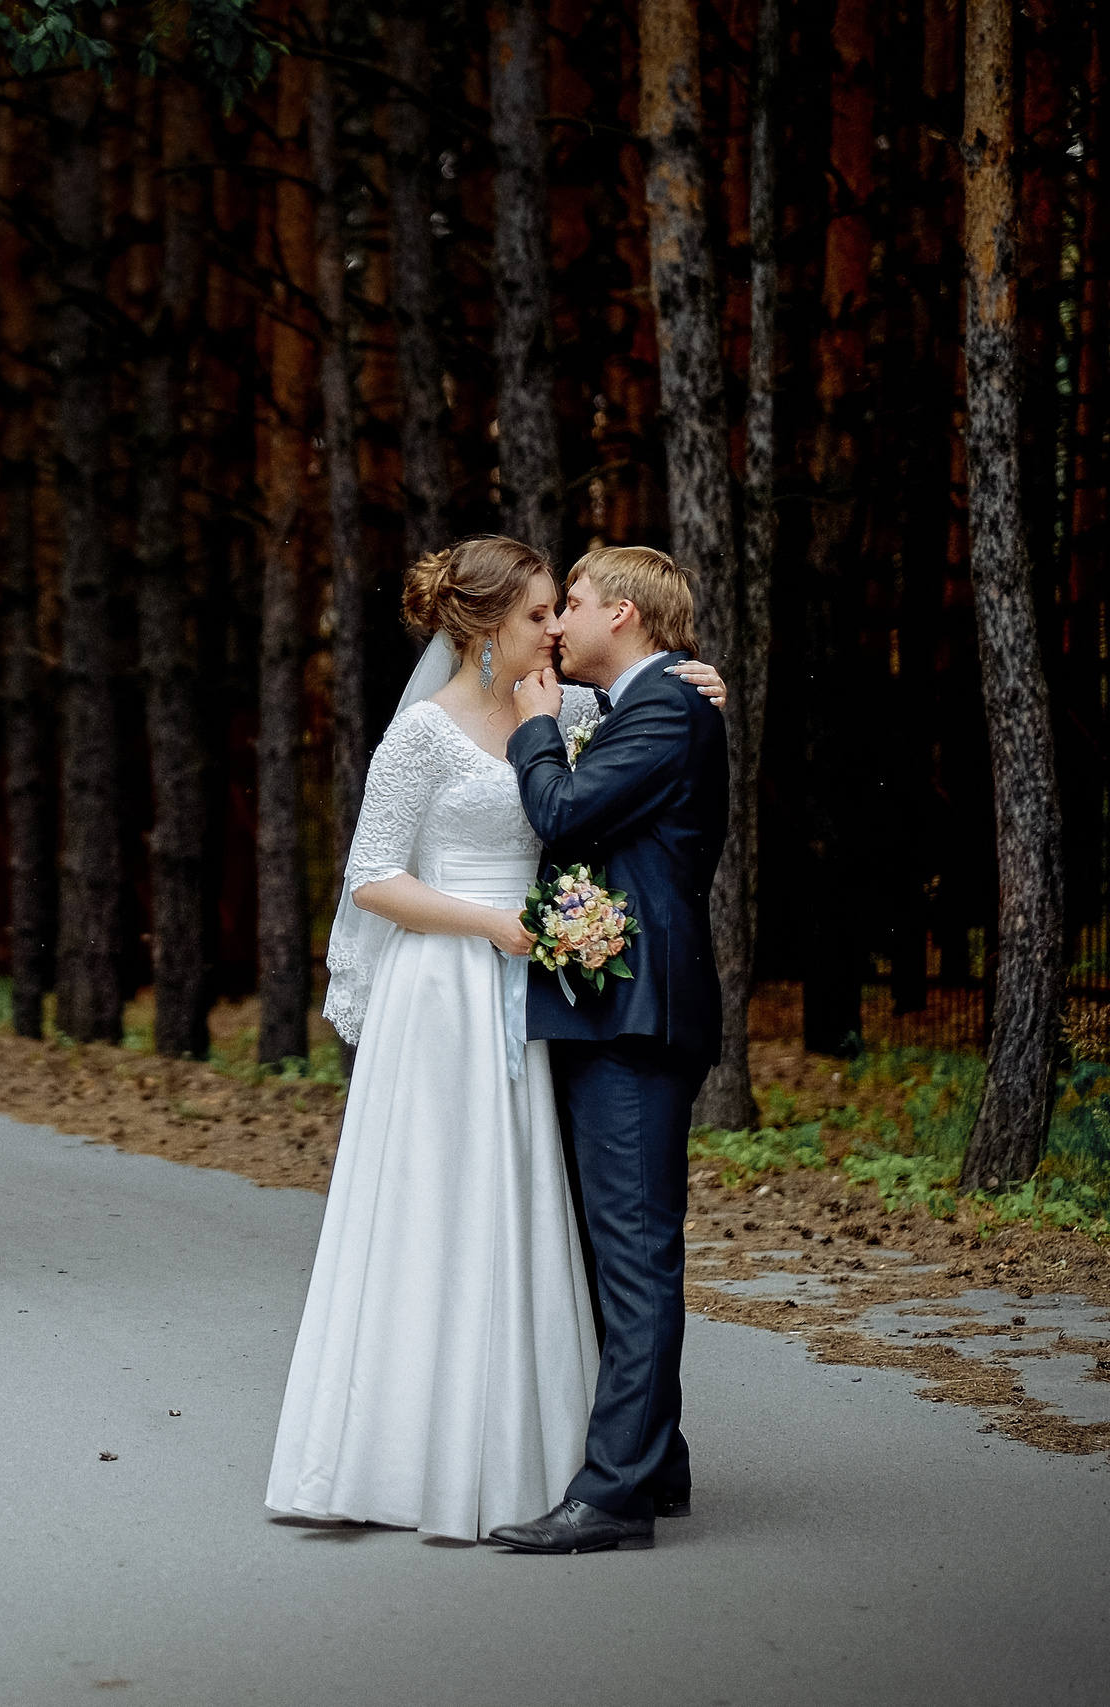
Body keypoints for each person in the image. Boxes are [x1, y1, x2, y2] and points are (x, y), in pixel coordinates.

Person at [265, 538, 726, 1542]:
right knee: (447, 1214)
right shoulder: (423, 738)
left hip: (547, 995)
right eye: (534, 614)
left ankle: (590, 1463)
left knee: (539, 1219)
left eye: (564, 607)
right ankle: (419, 1451)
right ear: (481, 632)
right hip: (450, 987)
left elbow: (631, 756)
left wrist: (701, 684)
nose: (553, 627)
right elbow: (371, 878)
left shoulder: (574, 710)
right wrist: (490, 925)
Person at [486, 545, 731, 1555]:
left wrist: (537, 731)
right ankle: (655, 1464)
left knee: (630, 1256)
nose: (557, 622)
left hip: (635, 1017)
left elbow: (562, 812)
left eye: (572, 604)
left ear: (622, 616)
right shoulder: (659, 699)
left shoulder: (667, 703)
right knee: (615, 1252)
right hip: (614, 1010)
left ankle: (614, 1494)